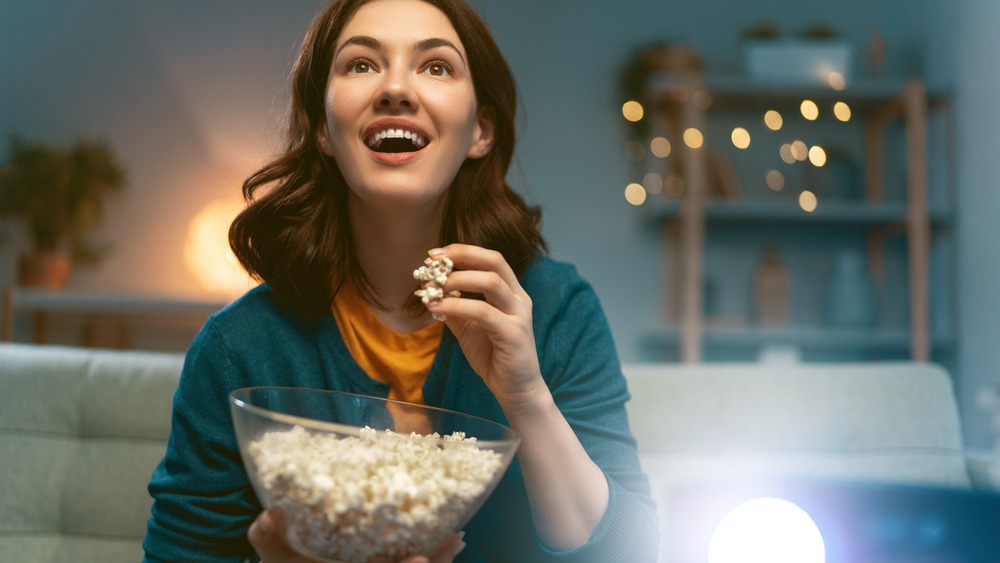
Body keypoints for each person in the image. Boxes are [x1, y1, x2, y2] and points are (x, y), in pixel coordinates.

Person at [142, 0, 659, 561]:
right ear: (321, 126)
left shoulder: (556, 309)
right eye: (361, 64)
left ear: (481, 130)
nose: (395, 88)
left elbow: (631, 552)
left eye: (436, 67)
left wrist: (526, 396)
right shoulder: (239, 348)